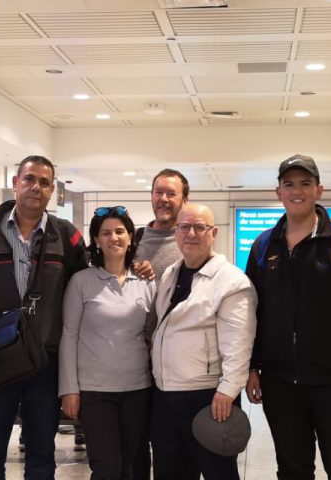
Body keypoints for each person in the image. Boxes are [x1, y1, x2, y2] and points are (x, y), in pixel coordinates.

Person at [244, 154, 331, 480]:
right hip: (280, 384)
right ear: (278, 193)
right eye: (289, 184)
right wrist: (251, 367)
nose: (297, 191)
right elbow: (252, 313)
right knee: (292, 470)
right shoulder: (264, 245)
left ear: (319, 190)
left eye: (305, 183)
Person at [0, 155, 89, 480]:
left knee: (41, 454)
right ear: (15, 183)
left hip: (44, 361)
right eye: (29, 179)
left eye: (44, 182)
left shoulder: (67, 236)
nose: (36, 187)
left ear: (52, 191)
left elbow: (84, 290)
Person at [150, 203, 256, 480]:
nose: (191, 234)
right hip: (165, 394)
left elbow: (239, 344)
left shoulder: (232, 282)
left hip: (209, 397)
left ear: (214, 233)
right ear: (176, 233)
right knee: (170, 472)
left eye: (200, 227)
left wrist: (228, 392)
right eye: (184, 227)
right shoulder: (171, 274)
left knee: (218, 472)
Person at [59, 206, 157, 480]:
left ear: (130, 239)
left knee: (131, 466)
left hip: (137, 389)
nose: (113, 237)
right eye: (106, 233)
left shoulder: (146, 282)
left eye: (119, 231)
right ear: (97, 241)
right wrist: (69, 389)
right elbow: (69, 335)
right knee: (107, 467)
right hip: (94, 391)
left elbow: (154, 333)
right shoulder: (82, 282)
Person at [130, 167, 189, 480]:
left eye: (171, 193)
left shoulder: (189, 240)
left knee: (171, 448)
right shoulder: (134, 239)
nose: (163, 199)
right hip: (135, 361)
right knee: (137, 444)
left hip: (176, 365)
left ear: (184, 199)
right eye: (158, 192)